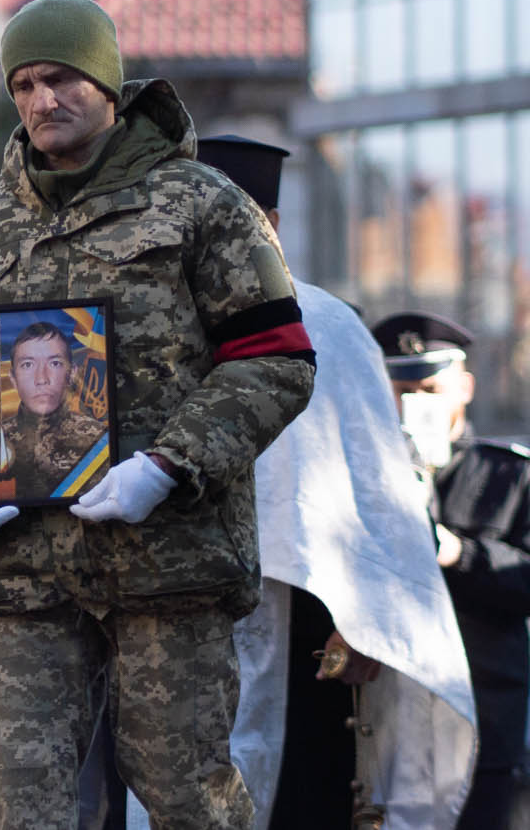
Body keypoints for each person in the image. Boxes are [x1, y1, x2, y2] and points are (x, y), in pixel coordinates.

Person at [0, 0, 315, 830]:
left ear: (110, 84)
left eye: (64, 78)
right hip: (22, 564)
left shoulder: (202, 205)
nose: (44, 99)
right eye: (27, 84)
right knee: (28, 805)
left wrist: (169, 465)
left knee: (188, 793)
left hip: (169, 558)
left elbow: (275, 357)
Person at [189, 135, 474, 830]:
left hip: (309, 630)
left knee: (300, 798)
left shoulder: (331, 326)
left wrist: (368, 623)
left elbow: (379, 500)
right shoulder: (155, 324)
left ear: (271, 226)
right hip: (177, 614)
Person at [372, 309, 530, 830]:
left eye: (431, 390)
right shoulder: (363, 474)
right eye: (401, 390)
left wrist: (457, 552)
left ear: (464, 387)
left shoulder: (509, 473)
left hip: (481, 714)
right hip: (386, 715)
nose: (415, 405)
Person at [0, 321, 108, 502]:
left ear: (71, 374)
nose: (42, 379)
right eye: (27, 365)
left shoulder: (100, 439)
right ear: (13, 379)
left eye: (55, 363)